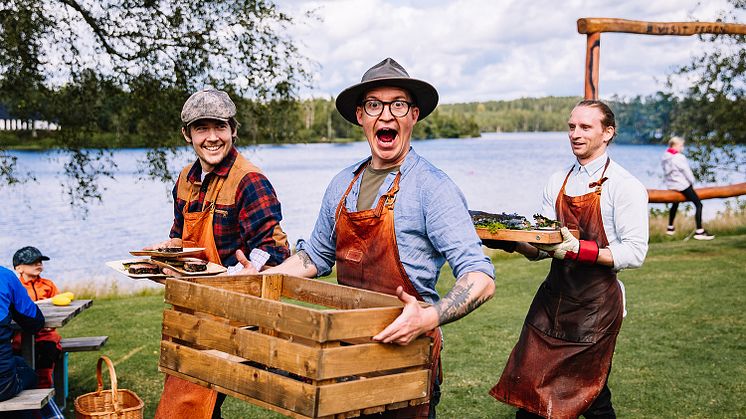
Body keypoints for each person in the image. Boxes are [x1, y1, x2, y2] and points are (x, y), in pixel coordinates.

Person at [262, 57, 496, 418]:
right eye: (374, 105)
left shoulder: (433, 188)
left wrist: (430, 316)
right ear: (361, 116)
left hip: (406, 361)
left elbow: (480, 277)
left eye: (397, 104)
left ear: (413, 115)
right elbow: (316, 257)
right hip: (347, 356)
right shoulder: (342, 184)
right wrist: (262, 279)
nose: (386, 115)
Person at [486, 100, 648, 418]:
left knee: (590, 392)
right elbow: (543, 247)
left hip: (596, 308)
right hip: (553, 301)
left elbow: (635, 252)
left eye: (586, 127)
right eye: (572, 126)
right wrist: (513, 242)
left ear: (608, 133)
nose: (575, 133)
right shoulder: (557, 181)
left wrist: (578, 250)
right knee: (531, 385)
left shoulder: (624, 186)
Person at [152, 88, 291, 419]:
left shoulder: (249, 180)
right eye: (202, 129)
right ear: (187, 134)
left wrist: (248, 269)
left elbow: (275, 248)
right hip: (191, 312)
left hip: (233, 319)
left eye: (220, 127)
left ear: (233, 130)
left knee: (184, 407)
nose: (212, 138)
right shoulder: (186, 178)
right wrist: (167, 254)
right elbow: (180, 235)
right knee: (192, 402)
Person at [11, 246, 62, 389]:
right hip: (20, 337)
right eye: (33, 262)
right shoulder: (15, 287)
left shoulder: (48, 285)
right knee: (18, 362)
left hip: (46, 336)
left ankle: (45, 391)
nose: (38, 264)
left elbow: (57, 306)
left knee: (46, 360)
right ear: (19, 268)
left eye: (40, 261)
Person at [0, 266, 44, 404]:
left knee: (17, 363)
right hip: (3, 385)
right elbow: (34, 322)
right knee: (30, 375)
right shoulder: (4, 276)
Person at [661, 136, 714, 240]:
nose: (682, 148)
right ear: (675, 145)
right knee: (698, 204)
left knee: (675, 203)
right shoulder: (679, 157)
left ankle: (670, 227)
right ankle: (700, 231)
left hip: (671, 185)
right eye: (681, 145)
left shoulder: (665, 156)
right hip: (682, 185)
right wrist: (692, 182)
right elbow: (687, 172)